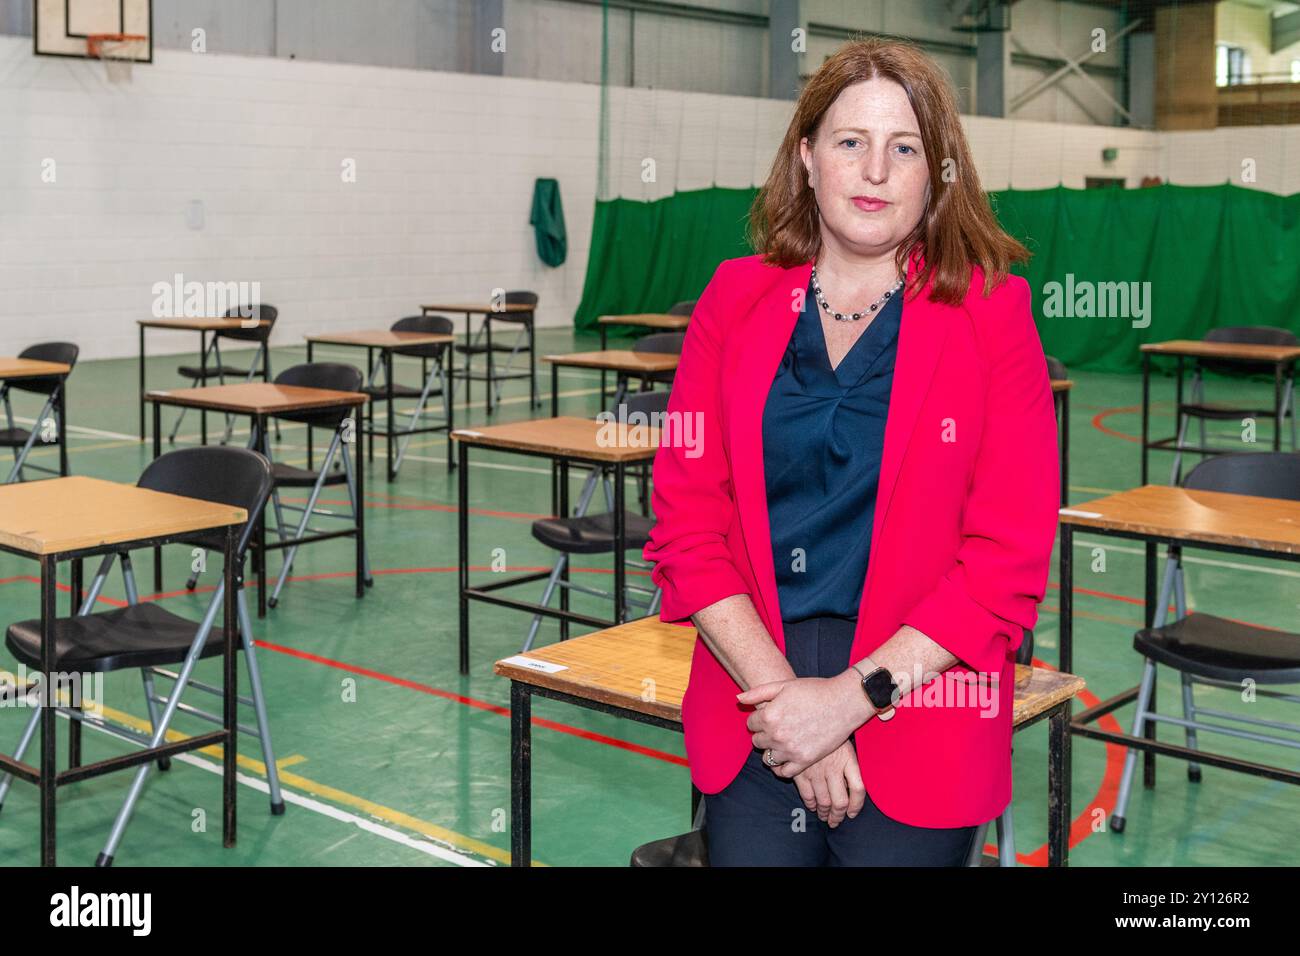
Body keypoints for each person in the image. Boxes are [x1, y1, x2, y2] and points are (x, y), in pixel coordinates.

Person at [642, 37, 1060, 866]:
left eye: (903, 148)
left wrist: (848, 702)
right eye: (850, 142)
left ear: (935, 173)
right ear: (806, 158)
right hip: (755, 702)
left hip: (921, 704)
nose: (875, 170)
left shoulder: (991, 314)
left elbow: (1005, 560)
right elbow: (687, 527)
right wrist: (793, 706)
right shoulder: (734, 297)